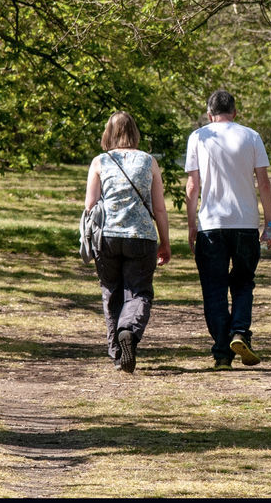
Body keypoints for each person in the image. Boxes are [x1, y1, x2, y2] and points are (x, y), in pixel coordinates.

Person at [184, 89, 271, 369]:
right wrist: (269, 224)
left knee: (213, 290)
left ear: (209, 114)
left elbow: (192, 186)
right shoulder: (251, 136)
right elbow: (264, 183)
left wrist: (191, 226)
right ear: (235, 112)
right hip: (246, 224)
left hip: (211, 225)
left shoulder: (198, 137)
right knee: (243, 282)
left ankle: (222, 353)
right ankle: (239, 331)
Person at [84, 111, 171, 373]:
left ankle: (116, 352)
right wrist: (165, 242)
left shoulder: (100, 161)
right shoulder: (149, 161)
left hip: (107, 237)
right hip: (141, 236)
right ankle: (129, 332)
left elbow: (90, 205)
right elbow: (160, 208)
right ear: (135, 132)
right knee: (140, 290)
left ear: (108, 133)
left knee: (111, 291)